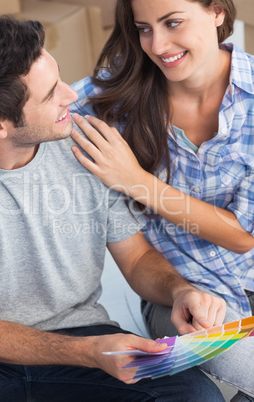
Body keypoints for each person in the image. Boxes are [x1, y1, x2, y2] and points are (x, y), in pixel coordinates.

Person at [0, 15, 226, 402]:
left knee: (196, 396)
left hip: (84, 338)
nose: (71, 95)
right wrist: (87, 353)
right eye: (49, 95)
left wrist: (179, 290)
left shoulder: (89, 147)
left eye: (60, 77)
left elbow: (135, 260)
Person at [69, 0, 254, 401]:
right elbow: (35, 110)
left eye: (172, 23)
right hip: (187, 298)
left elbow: (242, 235)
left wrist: (135, 181)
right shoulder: (115, 96)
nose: (158, 44)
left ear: (218, 11)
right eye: (144, 28)